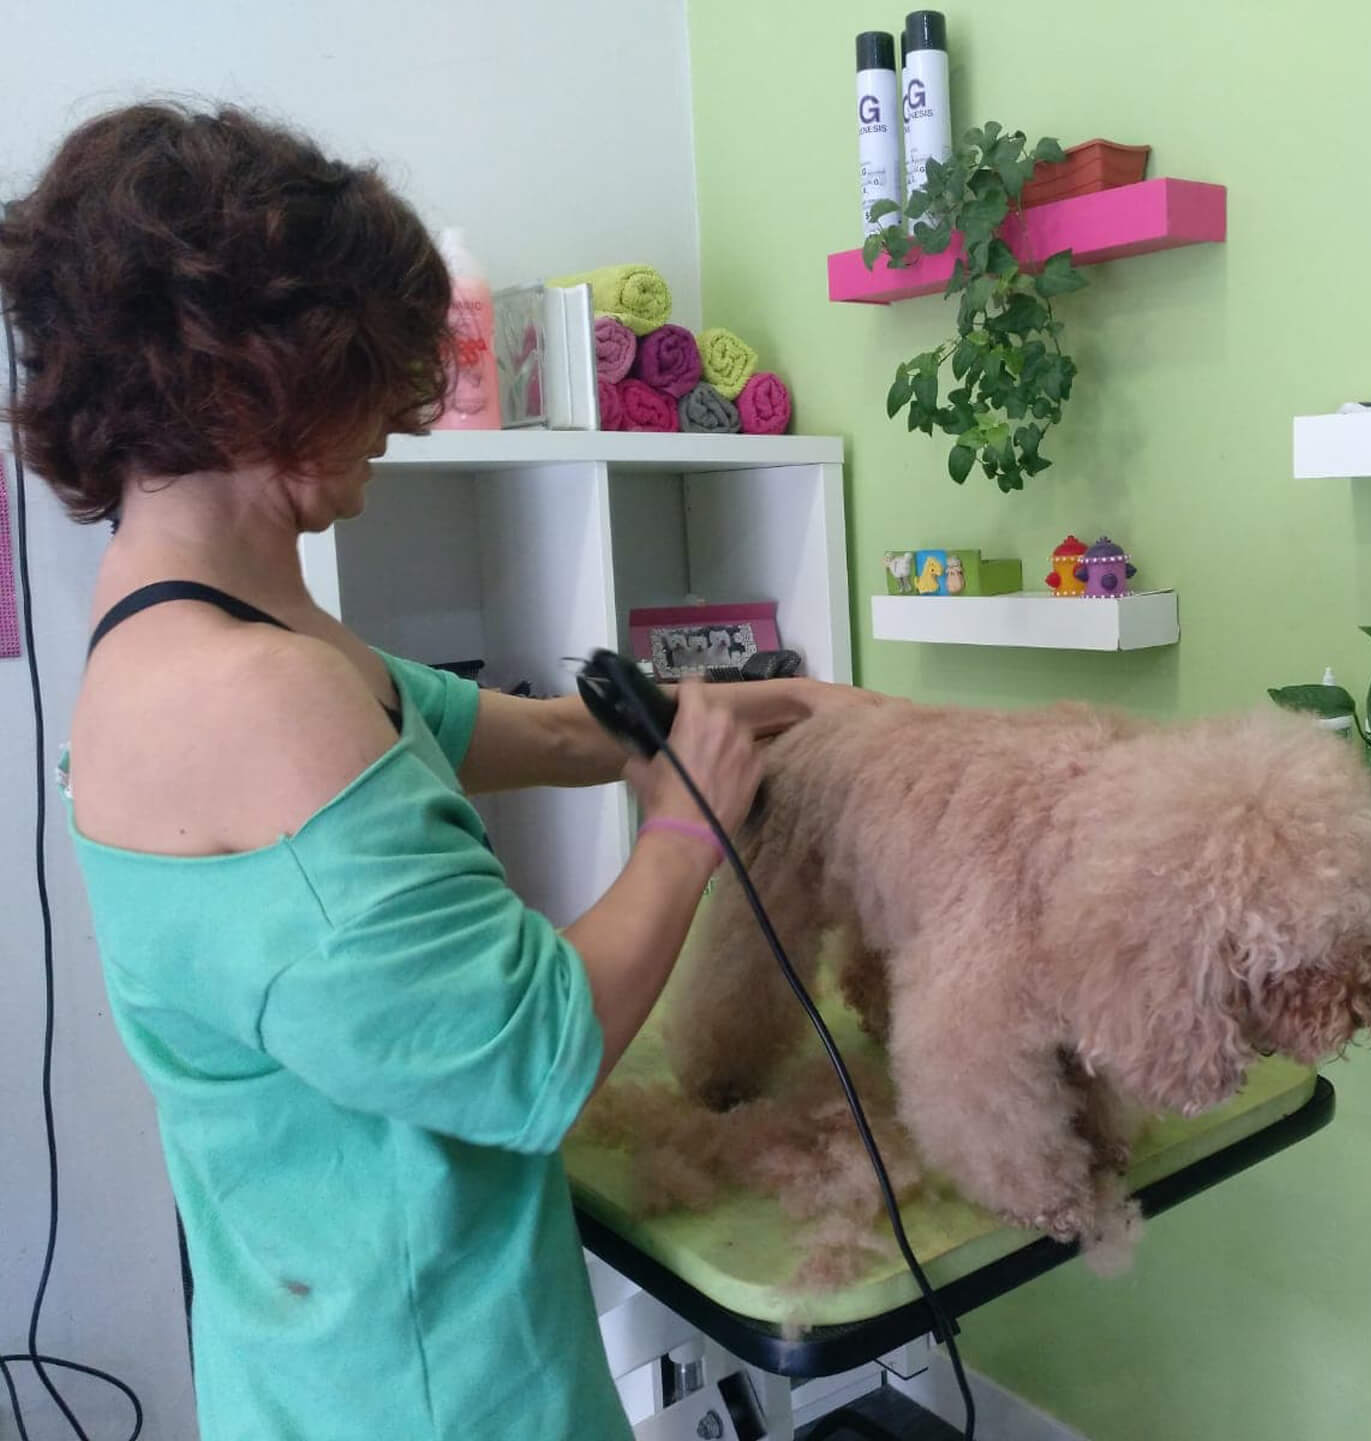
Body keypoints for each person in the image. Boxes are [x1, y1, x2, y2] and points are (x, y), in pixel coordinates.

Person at [0, 104, 871, 1440]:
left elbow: (554, 734)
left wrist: (815, 708)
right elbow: (540, 1053)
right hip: (421, 1389)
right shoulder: (256, 701)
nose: (396, 425)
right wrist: (689, 835)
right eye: (371, 383)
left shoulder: (198, 626)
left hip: (316, 1346)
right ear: (267, 381)